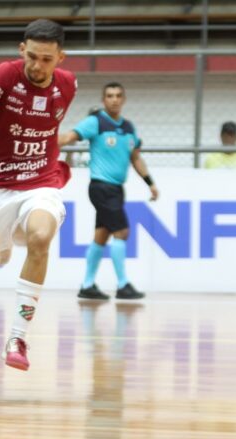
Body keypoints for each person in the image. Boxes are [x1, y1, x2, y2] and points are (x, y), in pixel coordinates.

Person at [0, 18, 77, 390]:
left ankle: (18, 337)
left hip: (42, 183)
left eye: (47, 59)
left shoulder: (67, 85)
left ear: (61, 58)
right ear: (22, 50)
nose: (38, 66)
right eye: (33, 57)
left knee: (41, 236)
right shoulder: (5, 75)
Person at [60, 82, 158, 301]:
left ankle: (87, 285)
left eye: (118, 95)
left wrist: (150, 183)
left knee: (101, 235)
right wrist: (43, 144)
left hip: (115, 188)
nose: (114, 99)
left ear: (123, 99)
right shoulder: (96, 122)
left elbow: (136, 158)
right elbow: (68, 137)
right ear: (104, 100)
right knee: (122, 232)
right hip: (101, 187)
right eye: (110, 96)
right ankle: (123, 285)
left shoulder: (129, 128)